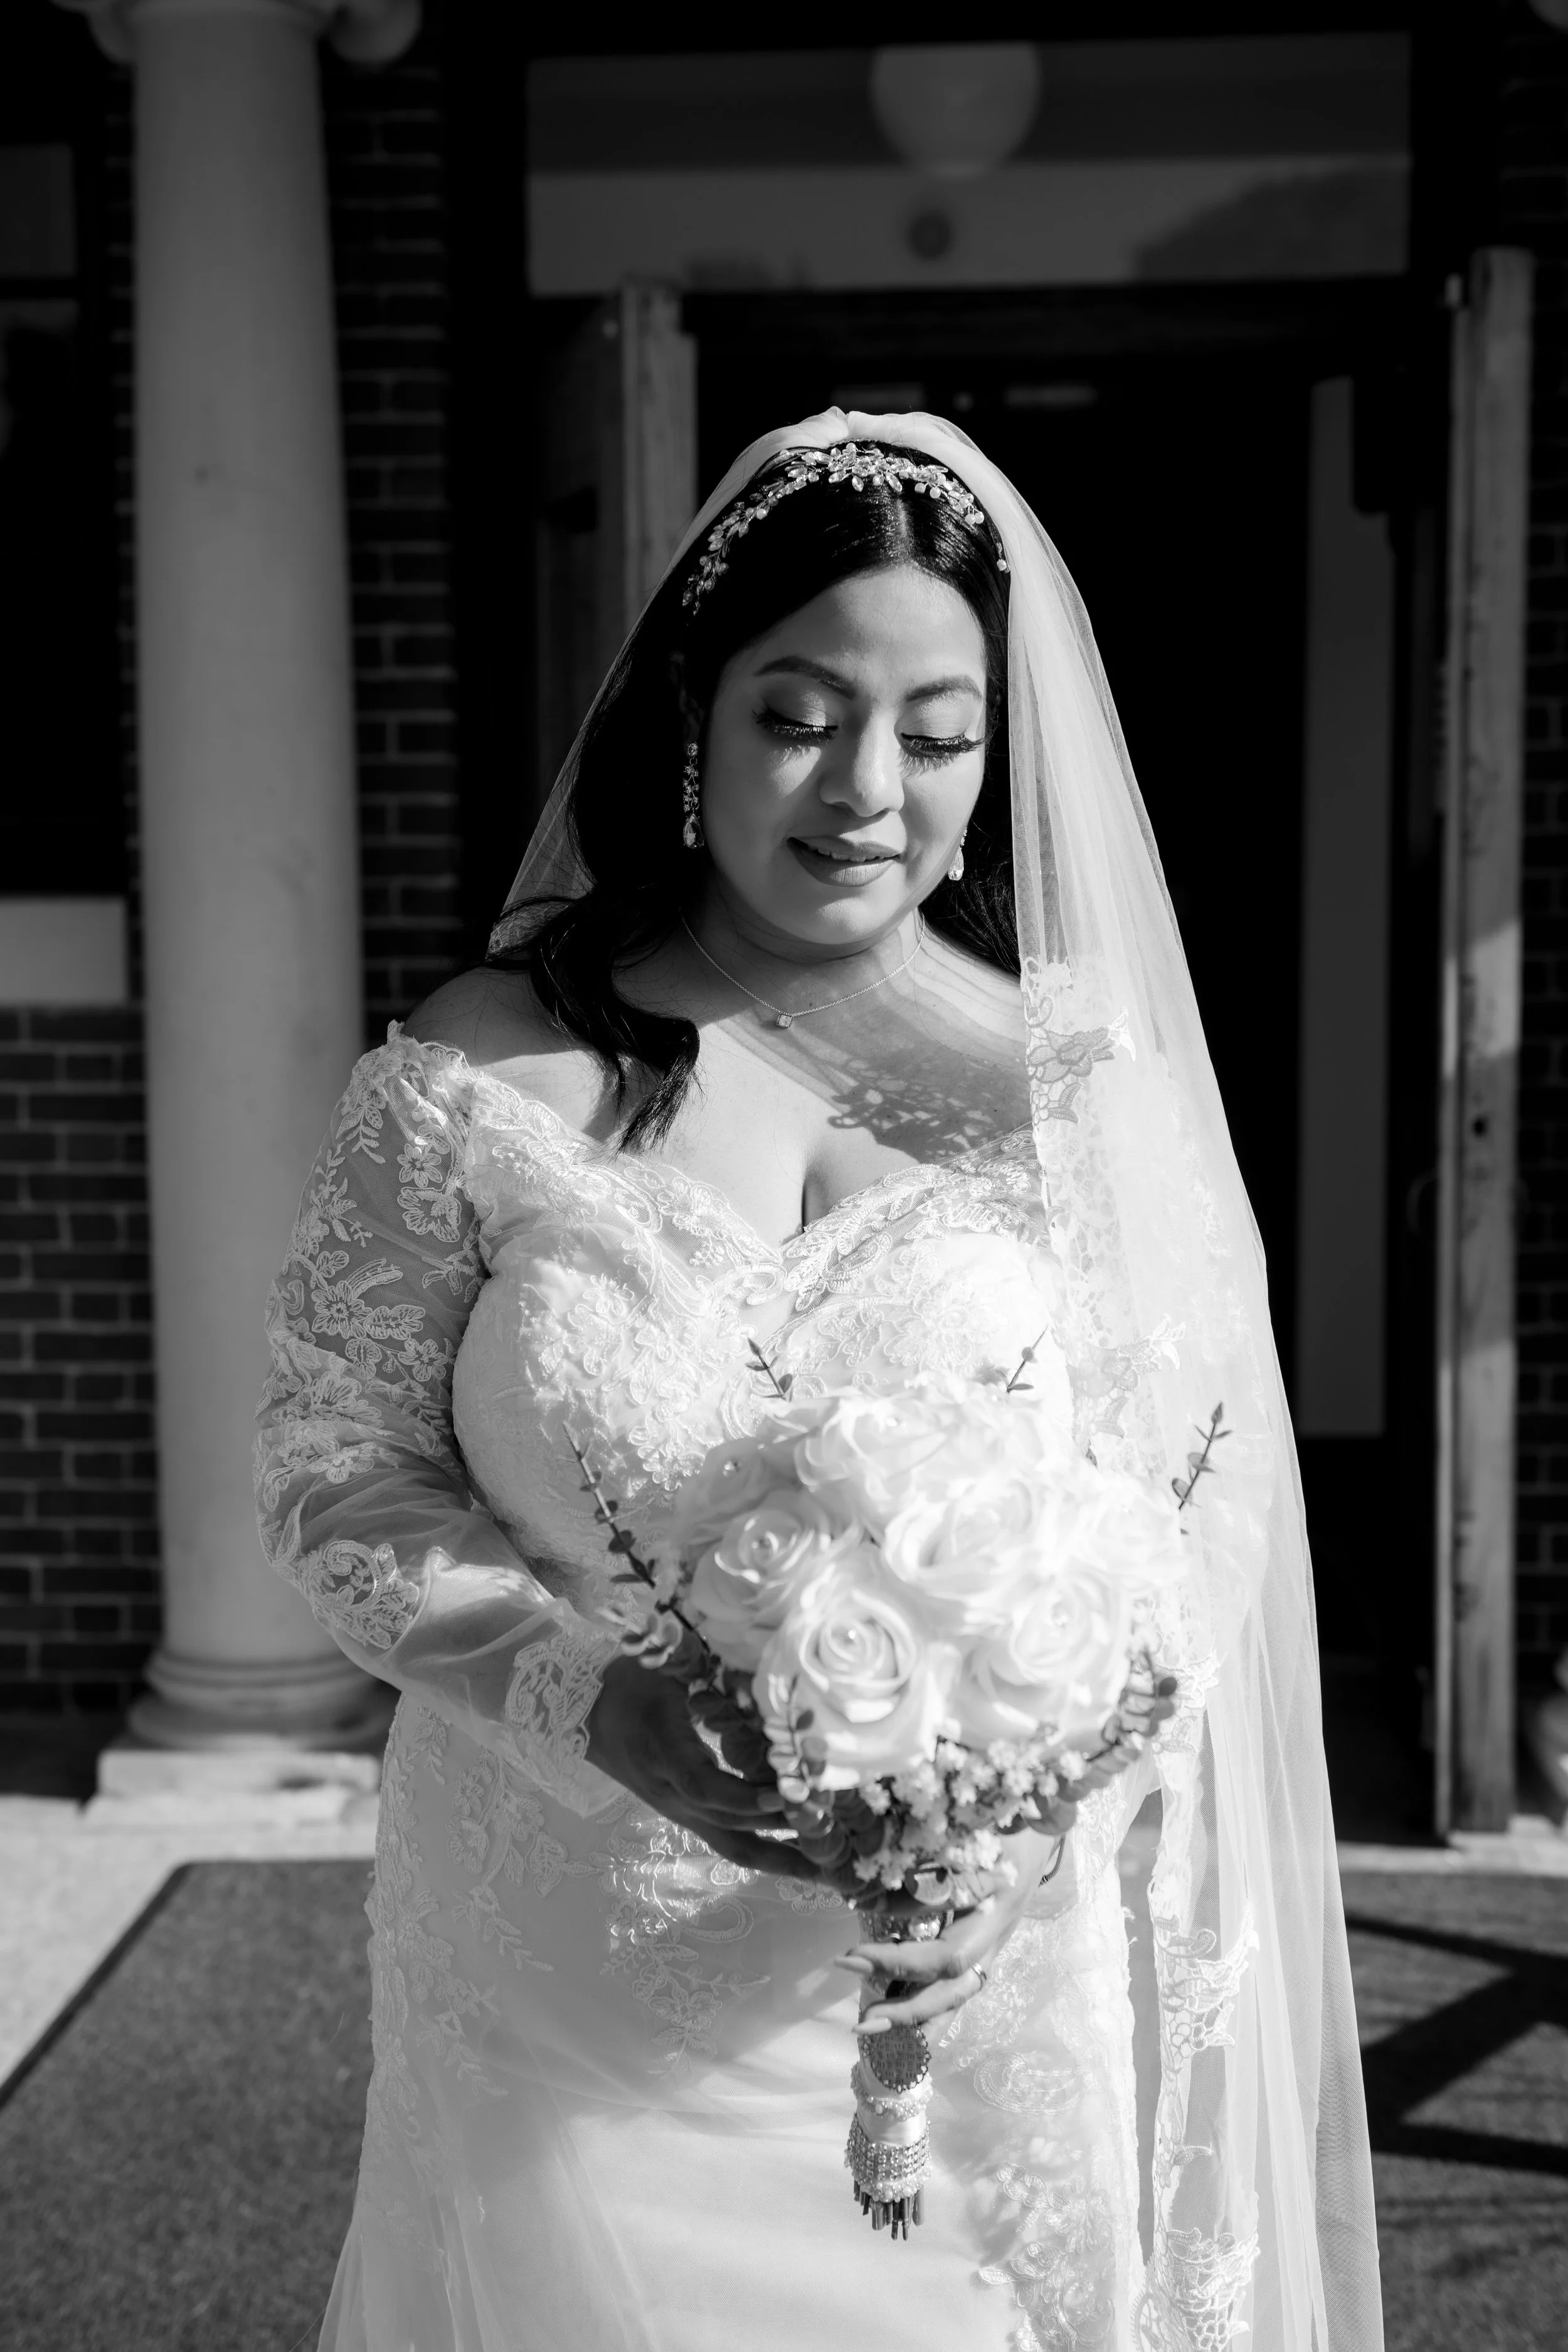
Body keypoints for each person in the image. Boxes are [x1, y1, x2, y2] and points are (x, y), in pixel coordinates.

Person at [255, 411, 1383, 2351]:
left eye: (937, 734)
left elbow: (1192, 1528)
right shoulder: (482, 1069)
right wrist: (585, 1698)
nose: (870, 788)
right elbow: (326, 1466)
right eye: (802, 714)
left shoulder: (1082, 1089)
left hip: (970, 1985)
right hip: (559, 1970)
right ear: (694, 708)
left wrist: (1010, 1831)